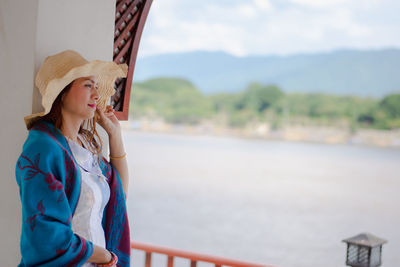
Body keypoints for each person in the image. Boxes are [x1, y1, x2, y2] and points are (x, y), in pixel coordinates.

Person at [15, 50, 131, 266]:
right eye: (88, 85)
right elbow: (47, 236)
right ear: (62, 93)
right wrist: (106, 256)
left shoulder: (85, 146)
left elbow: (119, 198)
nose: (96, 94)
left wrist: (115, 136)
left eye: (97, 86)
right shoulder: (43, 148)